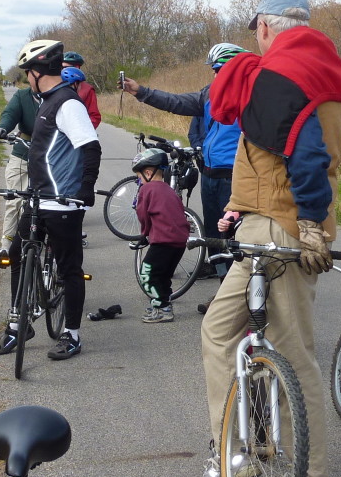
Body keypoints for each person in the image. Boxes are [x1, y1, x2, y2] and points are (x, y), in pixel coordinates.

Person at [192, 0, 341, 477]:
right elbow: (272, 152)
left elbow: (305, 154)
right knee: (220, 327)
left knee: (293, 352)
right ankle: (235, 452)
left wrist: (307, 222)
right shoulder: (317, 66)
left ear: (263, 26)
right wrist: (239, 204)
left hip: (284, 230)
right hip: (269, 222)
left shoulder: (279, 74)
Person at [0, 40, 101, 361]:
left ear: (37, 72)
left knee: (69, 269)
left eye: (27, 73)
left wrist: (85, 191)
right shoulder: (47, 101)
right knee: (16, 256)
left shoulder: (68, 103)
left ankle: (72, 334)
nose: (26, 78)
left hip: (64, 203)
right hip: (38, 199)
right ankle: (18, 325)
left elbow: (90, 148)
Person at [120, 42, 248, 281]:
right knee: (212, 231)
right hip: (210, 173)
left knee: (232, 233)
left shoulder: (252, 96)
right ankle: (220, 274)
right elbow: (176, 102)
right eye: (213, 70)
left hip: (235, 176)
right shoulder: (210, 92)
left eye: (218, 69)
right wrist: (141, 92)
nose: (214, 74)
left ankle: (234, 290)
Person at [130, 148, 189, 323]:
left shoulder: (146, 190)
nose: (139, 179)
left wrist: (144, 234)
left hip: (163, 241)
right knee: (163, 276)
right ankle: (163, 303)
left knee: (147, 275)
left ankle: (162, 308)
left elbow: (143, 216)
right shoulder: (169, 190)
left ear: (148, 172)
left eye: (139, 176)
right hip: (179, 242)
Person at [0, 85, 41, 266]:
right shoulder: (22, 96)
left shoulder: (60, 95)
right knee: (15, 200)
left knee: (54, 203)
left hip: (52, 157)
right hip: (23, 154)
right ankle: (6, 245)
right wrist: (2, 128)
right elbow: (10, 114)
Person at [62, 51, 101, 128]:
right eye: (61, 67)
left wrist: (83, 131)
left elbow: (94, 116)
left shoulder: (87, 89)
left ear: (77, 68)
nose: (62, 70)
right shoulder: (56, 85)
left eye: (65, 67)